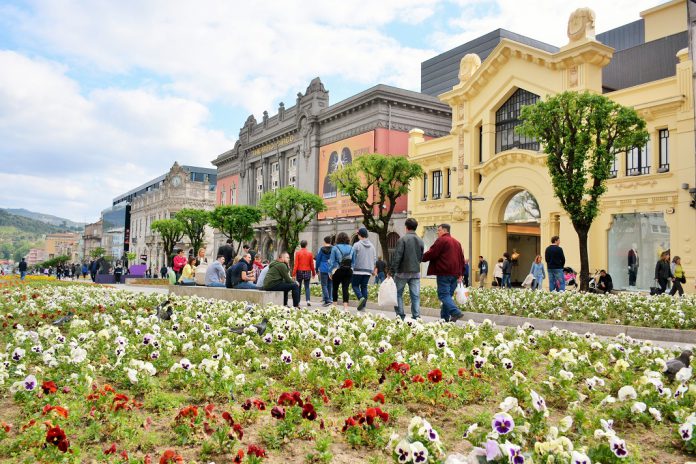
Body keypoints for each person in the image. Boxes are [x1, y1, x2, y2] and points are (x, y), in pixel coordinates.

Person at [422, 223, 465, 322]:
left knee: (443, 295)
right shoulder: (457, 242)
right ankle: (444, 319)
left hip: (444, 272)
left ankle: (456, 312)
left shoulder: (442, 240)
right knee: (447, 296)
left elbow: (432, 253)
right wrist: (461, 274)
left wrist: (420, 257)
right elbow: (461, 259)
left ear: (445, 231)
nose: (437, 232)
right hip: (455, 274)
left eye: (439, 230)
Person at [389, 217, 424, 320]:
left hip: (402, 272)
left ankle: (400, 316)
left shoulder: (402, 239)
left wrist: (391, 271)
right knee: (415, 296)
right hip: (415, 272)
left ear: (406, 227)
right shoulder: (420, 240)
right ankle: (416, 316)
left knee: (398, 294)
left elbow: (397, 257)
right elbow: (421, 257)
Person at [352, 228, 377, 311]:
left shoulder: (356, 245)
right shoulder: (372, 246)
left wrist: (352, 267)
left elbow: (352, 257)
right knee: (364, 287)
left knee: (355, 285)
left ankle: (360, 298)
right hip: (368, 271)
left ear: (360, 235)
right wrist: (373, 269)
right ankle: (363, 307)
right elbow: (374, 259)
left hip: (357, 269)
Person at [329, 232, 354, 310]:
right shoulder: (351, 248)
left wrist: (330, 272)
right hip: (348, 270)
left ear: (338, 239)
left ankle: (335, 306)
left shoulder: (335, 248)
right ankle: (346, 307)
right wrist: (352, 269)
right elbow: (354, 262)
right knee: (345, 288)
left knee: (335, 287)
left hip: (338, 270)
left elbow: (332, 262)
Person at [292, 240, 315, 306]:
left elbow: (296, 264)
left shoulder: (298, 253)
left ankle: (298, 301)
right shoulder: (310, 253)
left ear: (300, 245)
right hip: (307, 271)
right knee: (307, 286)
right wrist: (313, 273)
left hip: (299, 271)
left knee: (298, 287)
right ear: (306, 245)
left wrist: (293, 274)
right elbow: (312, 264)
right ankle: (308, 301)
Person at [315, 236, 333, 307]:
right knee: (330, 284)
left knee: (324, 285)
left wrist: (316, 269)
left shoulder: (321, 249)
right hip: (331, 268)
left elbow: (318, 259)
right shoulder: (334, 249)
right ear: (330, 241)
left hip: (323, 268)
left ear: (324, 241)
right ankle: (330, 299)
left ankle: (327, 300)